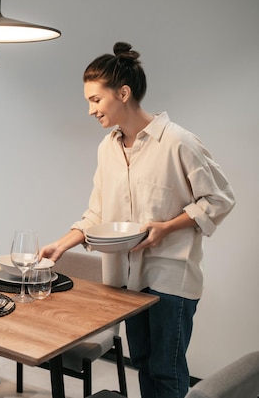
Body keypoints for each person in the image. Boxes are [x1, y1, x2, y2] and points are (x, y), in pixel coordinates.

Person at [40, 42, 235, 398]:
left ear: (123, 93)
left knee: (166, 371)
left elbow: (220, 198)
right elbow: (98, 214)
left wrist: (167, 228)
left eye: (95, 100)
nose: (89, 110)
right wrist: (62, 245)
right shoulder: (107, 148)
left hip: (170, 278)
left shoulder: (177, 142)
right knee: (142, 362)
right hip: (125, 281)